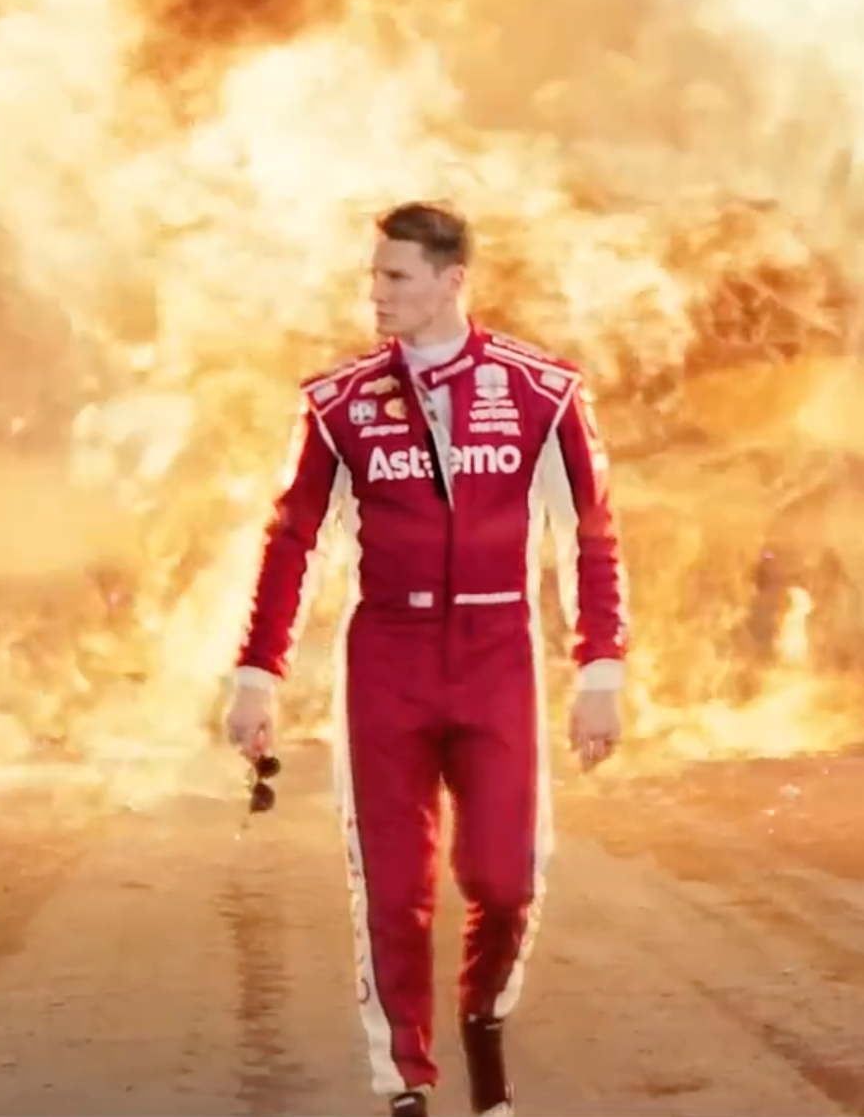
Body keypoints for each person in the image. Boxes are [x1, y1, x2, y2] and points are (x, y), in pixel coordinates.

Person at [224, 201, 630, 1117]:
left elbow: (590, 535)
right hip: (386, 659)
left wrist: (599, 671)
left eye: (396, 277)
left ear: (452, 281)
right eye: (373, 276)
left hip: (497, 654)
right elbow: (291, 541)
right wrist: (257, 676)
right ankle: (405, 1081)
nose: (376, 293)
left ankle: (483, 1017)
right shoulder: (336, 403)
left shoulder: (542, 391)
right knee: (392, 889)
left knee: (505, 880)